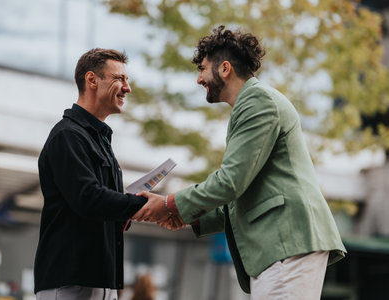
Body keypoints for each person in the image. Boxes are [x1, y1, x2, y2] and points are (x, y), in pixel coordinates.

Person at [133, 25, 347, 299]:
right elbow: (241, 194)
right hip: (282, 244)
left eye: (202, 68)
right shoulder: (252, 104)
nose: (199, 79)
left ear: (224, 69)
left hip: (286, 241)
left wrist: (168, 204)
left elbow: (230, 183)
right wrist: (186, 218)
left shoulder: (257, 101)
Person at [34, 48, 149, 300]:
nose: (127, 88)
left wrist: (125, 213)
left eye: (127, 80)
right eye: (119, 78)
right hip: (71, 284)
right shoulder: (68, 135)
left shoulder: (99, 140)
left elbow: (96, 206)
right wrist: (144, 203)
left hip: (101, 283)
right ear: (92, 80)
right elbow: (88, 198)